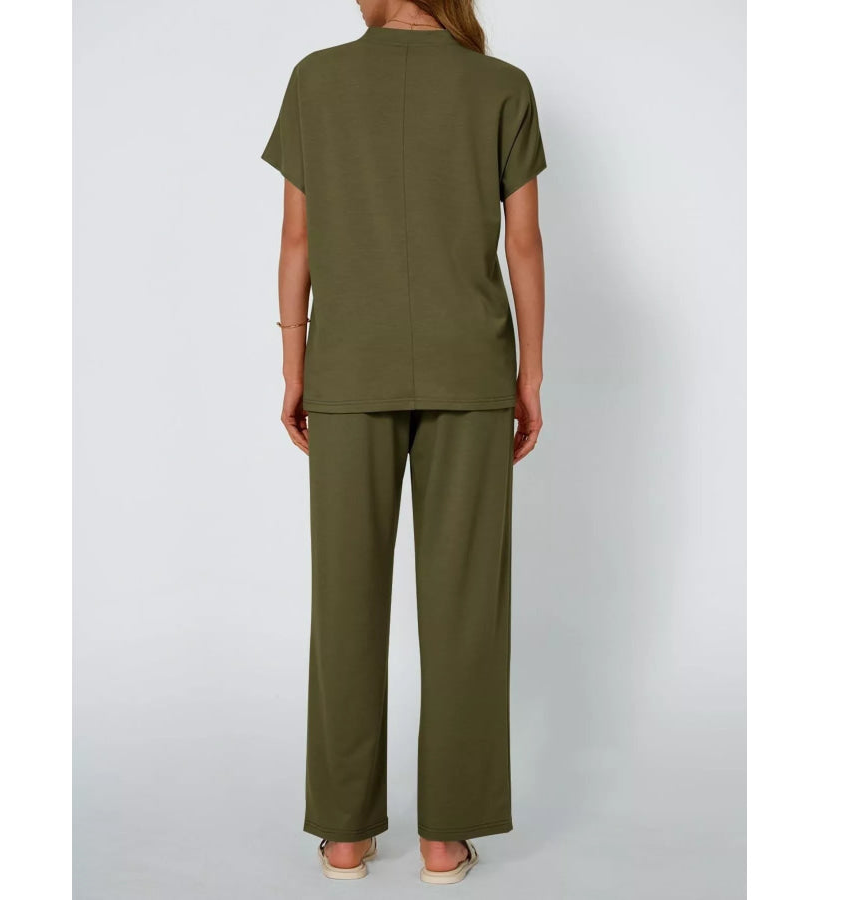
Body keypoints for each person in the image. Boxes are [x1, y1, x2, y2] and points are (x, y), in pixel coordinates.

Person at [262, 0, 546, 884]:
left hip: (348, 365)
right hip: (472, 367)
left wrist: (294, 365)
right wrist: (530, 376)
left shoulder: (317, 79)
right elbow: (524, 246)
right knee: (466, 607)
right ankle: (444, 838)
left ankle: (345, 835)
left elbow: (298, 238)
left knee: (344, 599)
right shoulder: (501, 87)